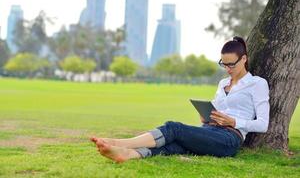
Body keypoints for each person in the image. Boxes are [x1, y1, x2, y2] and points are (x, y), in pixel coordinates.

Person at [90, 36, 270, 163]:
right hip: (209, 130)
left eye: (232, 64)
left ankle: (120, 143)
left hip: (229, 138)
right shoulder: (223, 83)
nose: (228, 68)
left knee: (173, 128)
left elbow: (263, 124)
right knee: (173, 144)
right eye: (224, 64)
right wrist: (206, 116)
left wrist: (234, 121)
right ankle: (128, 155)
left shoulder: (257, 84)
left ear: (244, 59)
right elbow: (216, 109)